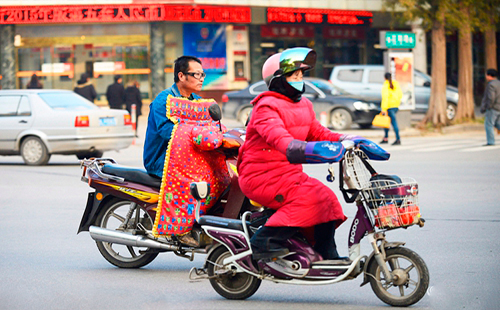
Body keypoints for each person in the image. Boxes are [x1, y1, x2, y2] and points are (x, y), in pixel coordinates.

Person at [237, 47, 381, 261]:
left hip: (288, 175)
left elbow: (318, 132)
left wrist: (348, 140)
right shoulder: (265, 108)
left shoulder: (304, 104)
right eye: (293, 75)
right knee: (307, 200)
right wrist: (312, 150)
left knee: (327, 199)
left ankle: (326, 252)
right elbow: (281, 140)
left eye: (301, 74)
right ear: (278, 79)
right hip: (260, 176)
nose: (299, 78)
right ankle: (264, 241)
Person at [144, 55, 205, 179]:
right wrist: (201, 135)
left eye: (202, 75)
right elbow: (169, 133)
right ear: (181, 76)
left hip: (189, 158)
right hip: (161, 161)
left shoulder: (198, 101)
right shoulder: (164, 101)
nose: (201, 79)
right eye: (197, 75)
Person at [380, 72, 402, 145]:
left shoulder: (386, 85)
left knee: (392, 123)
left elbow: (385, 98)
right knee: (387, 122)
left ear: (384, 78)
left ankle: (398, 139)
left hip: (389, 107)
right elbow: (400, 95)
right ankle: (385, 138)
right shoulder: (396, 84)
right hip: (395, 106)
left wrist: (383, 108)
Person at [480, 68, 500, 146]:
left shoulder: (491, 85)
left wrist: (488, 107)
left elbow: (491, 97)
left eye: (486, 75)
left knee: (489, 124)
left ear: (489, 76)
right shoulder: (499, 83)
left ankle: (491, 141)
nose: (485, 76)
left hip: (493, 108)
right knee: (497, 123)